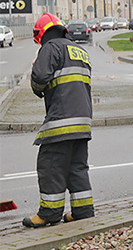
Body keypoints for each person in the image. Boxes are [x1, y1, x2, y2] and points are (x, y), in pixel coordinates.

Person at [23, 13, 94, 228]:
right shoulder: (80, 51)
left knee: (50, 165)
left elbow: (39, 79)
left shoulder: (50, 48)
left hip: (61, 120)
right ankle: (83, 211)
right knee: (76, 167)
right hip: (83, 121)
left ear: (43, 34)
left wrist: (37, 85)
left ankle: (49, 213)